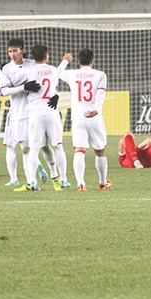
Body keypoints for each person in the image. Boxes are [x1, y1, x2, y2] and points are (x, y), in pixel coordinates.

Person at [0, 38, 57, 188]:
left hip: (34, 111)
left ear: (22, 51)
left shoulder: (32, 66)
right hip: (17, 113)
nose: (12, 54)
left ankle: (54, 175)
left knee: (42, 146)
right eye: (9, 51)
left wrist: (54, 95)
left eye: (15, 50)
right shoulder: (7, 69)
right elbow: (4, 90)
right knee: (23, 147)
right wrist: (23, 87)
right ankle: (30, 180)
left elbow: (49, 79)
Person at [8, 44, 72, 191]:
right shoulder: (53, 70)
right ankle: (63, 180)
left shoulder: (28, 72)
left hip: (36, 115)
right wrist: (65, 60)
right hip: (52, 113)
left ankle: (32, 182)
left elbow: (10, 84)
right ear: (46, 57)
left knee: (34, 149)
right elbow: (60, 71)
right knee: (58, 147)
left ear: (32, 57)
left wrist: (22, 85)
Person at [58, 48, 112, 192]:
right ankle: (102, 182)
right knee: (100, 151)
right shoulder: (100, 75)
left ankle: (80, 183)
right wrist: (97, 110)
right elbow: (101, 94)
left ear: (78, 61)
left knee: (79, 151)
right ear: (92, 61)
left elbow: (57, 73)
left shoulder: (72, 74)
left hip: (78, 118)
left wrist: (64, 61)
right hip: (95, 117)